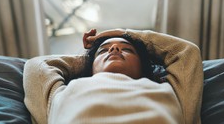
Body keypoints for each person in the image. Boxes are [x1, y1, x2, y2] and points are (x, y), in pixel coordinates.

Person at [23, 28, 203, 124]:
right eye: (104, 51)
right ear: (90, 67)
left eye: (127, 50)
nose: (115, 48)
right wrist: (88, 59)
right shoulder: (65, 93)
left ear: (143, 66)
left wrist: (123, 33)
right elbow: (37, 65)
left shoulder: (168, 91)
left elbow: (187, 52)